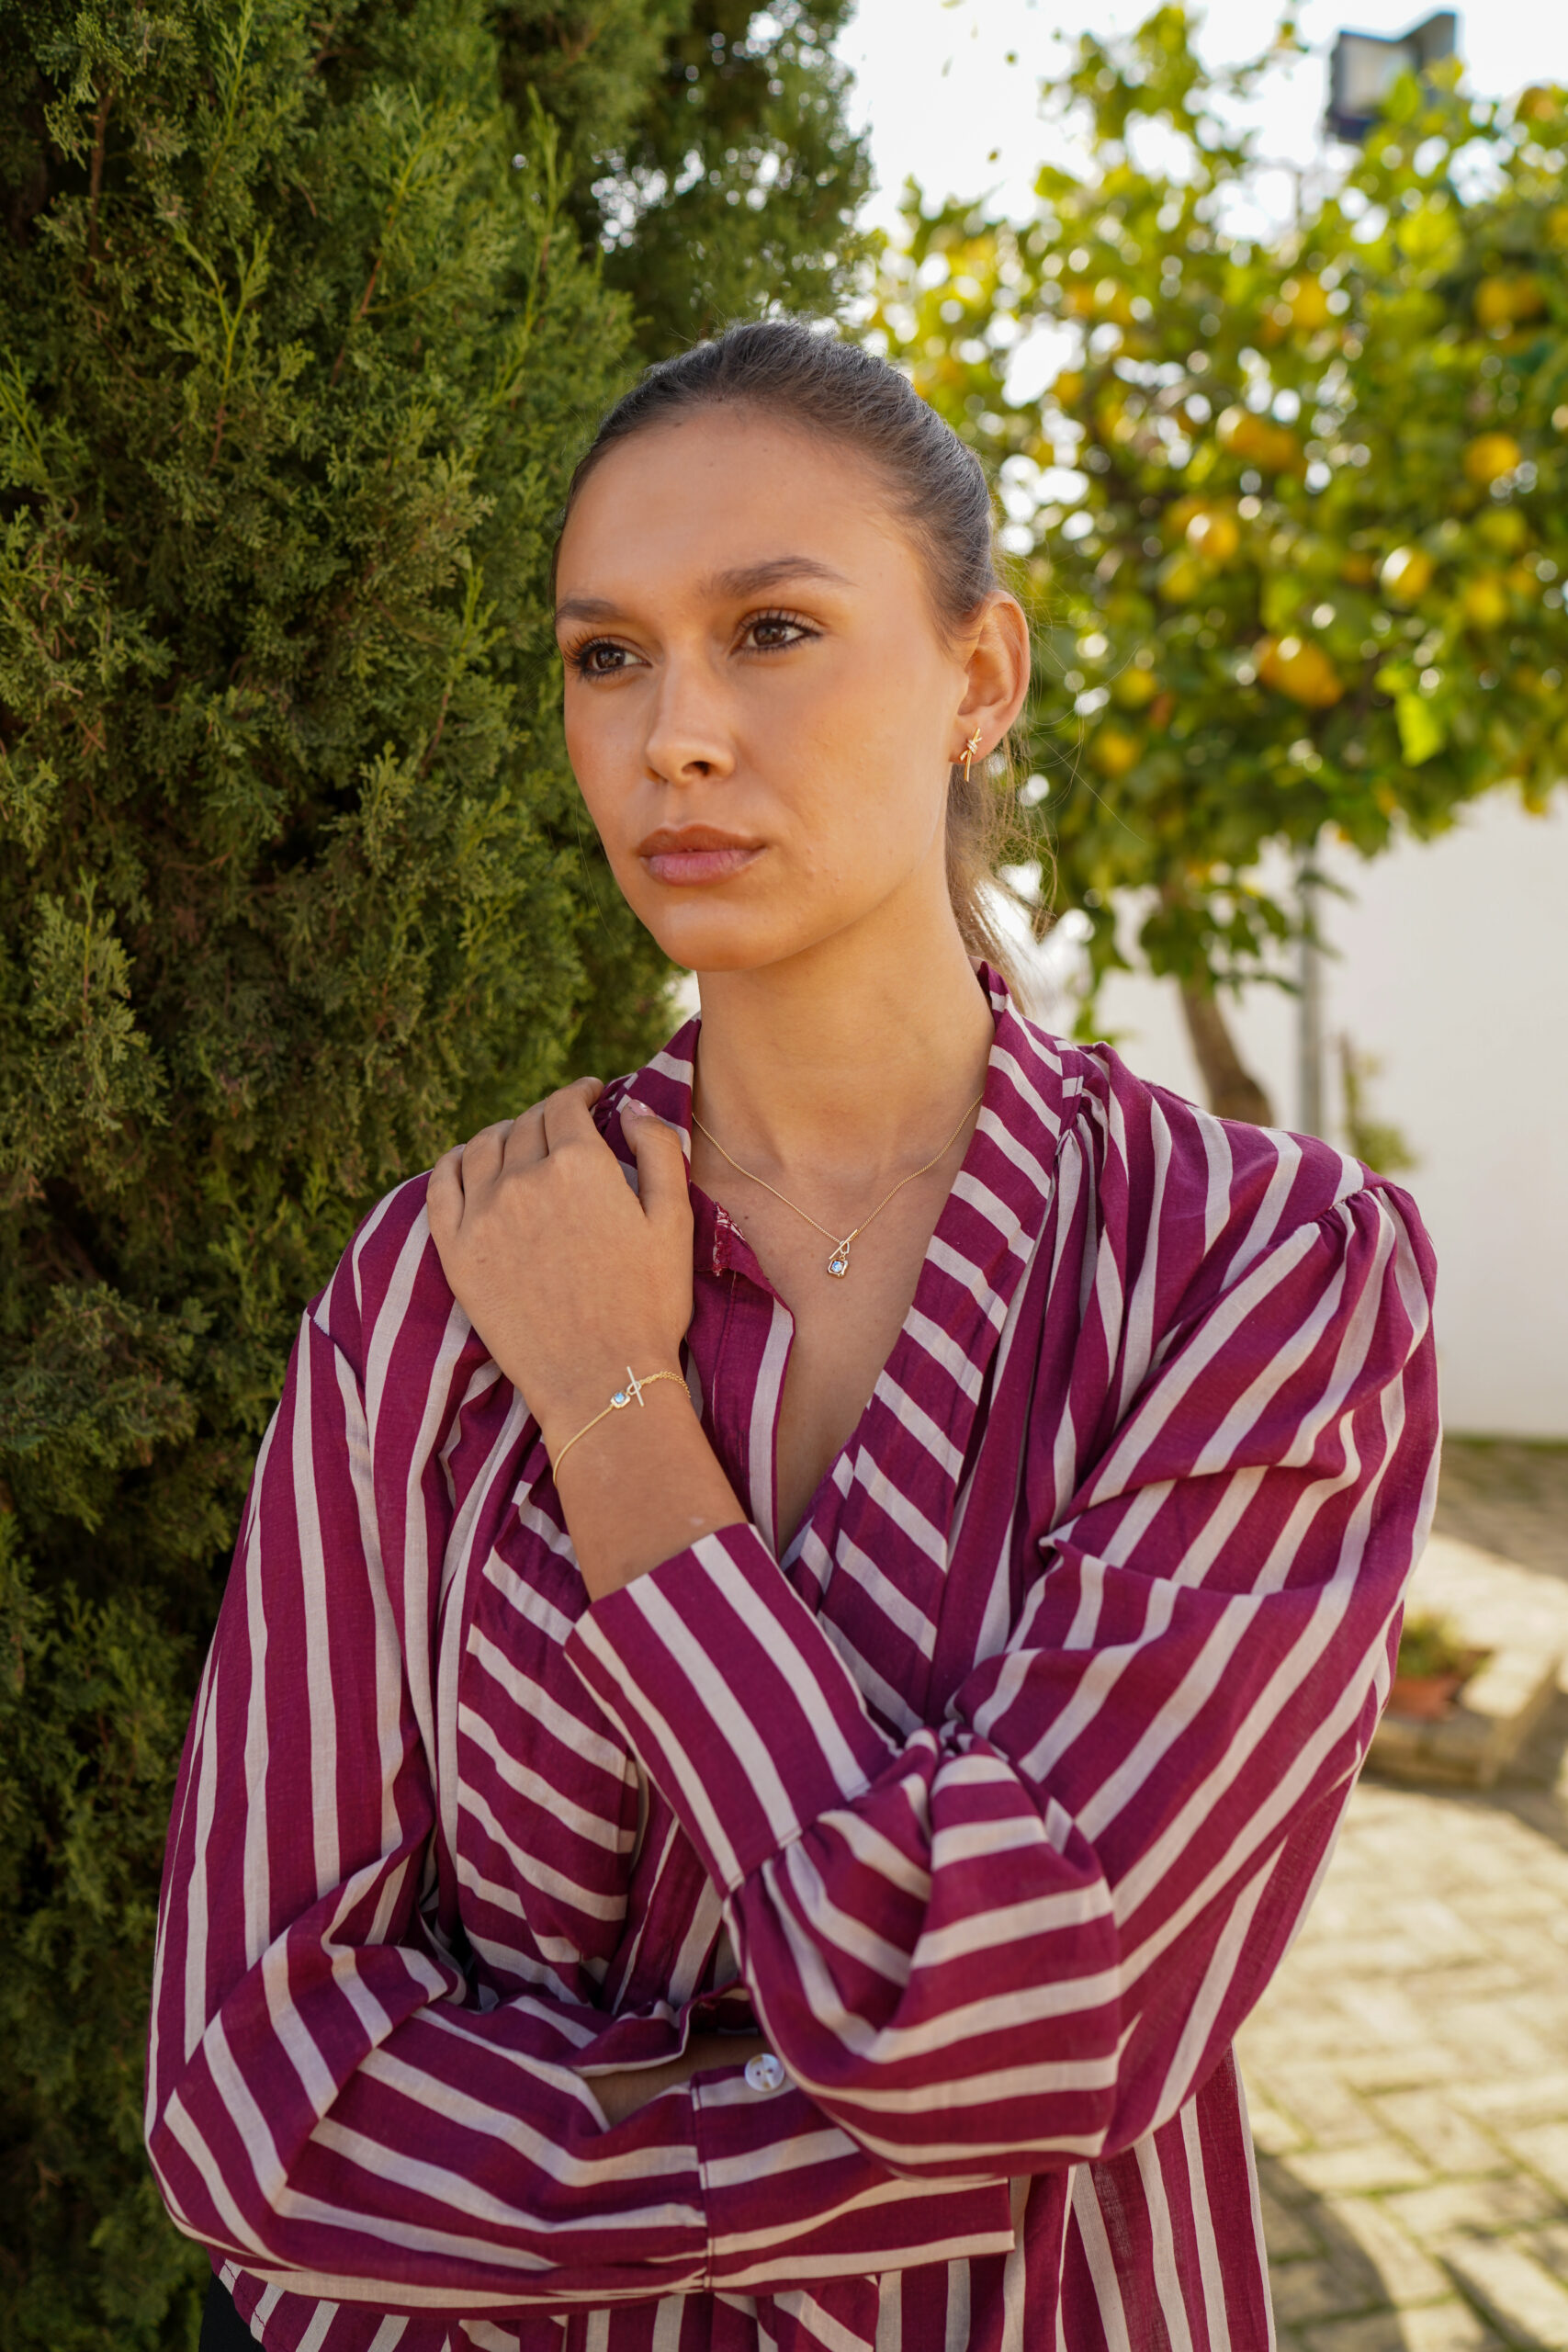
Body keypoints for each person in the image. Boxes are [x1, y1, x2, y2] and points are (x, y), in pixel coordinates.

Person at [148, 319, 1439, 2352]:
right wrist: (911, 2152)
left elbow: (1030, 2012)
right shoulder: (440, 1273)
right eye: (607, 655)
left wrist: (616, 1417)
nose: (672, 732)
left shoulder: (1260, 1270)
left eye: (768, 630)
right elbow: (252, 2098)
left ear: (980, 677)